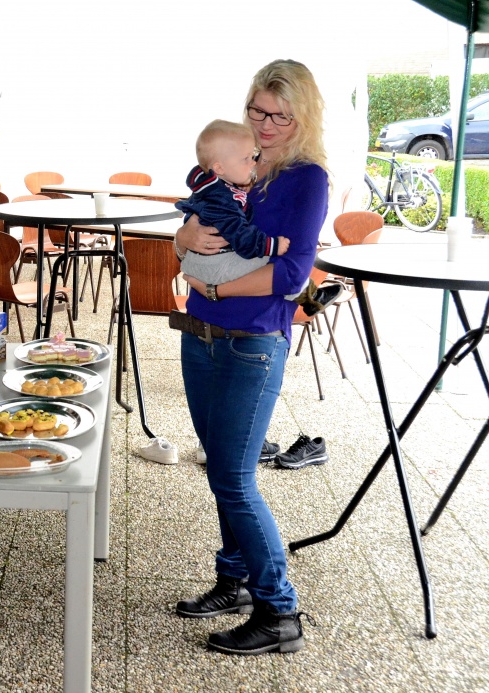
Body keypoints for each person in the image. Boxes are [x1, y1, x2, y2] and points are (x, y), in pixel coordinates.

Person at [169, 59, 325, 655]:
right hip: (200, 335)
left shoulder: (306, 179)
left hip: (252, 344)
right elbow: (189, 230)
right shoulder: (234, 159)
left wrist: (216, 289)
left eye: (280, 116)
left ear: (303, 116)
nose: (265, 125)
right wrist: (182, 239)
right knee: (220, 466)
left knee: (234, 479)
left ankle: (278, 610)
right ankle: (233, 580)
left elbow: (292, 275)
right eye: (258, 111)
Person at [176, 119, 342, 318]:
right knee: (266, 261)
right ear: (219, 168)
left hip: (206, 265)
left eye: (253, 155)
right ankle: (311, 298)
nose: (253, 162)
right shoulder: (220, 200)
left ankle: (311, 296)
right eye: (246, 159)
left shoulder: (215, 188)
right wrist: (271, 245)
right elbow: (241, 236)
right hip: (214, 266)